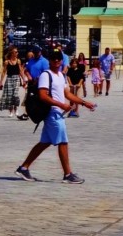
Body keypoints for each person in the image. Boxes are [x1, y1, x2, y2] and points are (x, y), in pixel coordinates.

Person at [15, 50, 95, 183]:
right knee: (63, 142)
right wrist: (61, 105)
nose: (56, 61)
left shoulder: (61, 75)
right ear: (50, 60)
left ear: (62, 60)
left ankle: (23, 168)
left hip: (58, 113)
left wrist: (84, 103)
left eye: (59, 58)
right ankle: (68, 174)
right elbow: (43, 95)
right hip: (53, 113)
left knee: (45, 142)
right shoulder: (46, 75)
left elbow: (67, 94)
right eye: (53, 58)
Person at [0, 47, 24, 118]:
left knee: (15, 95)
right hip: (9, 79)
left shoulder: (18, 61)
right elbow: (3, 72)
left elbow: (20, 71)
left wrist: (24, 80)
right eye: (15, 52)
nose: (17, 53)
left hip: (16, 79)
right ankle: (11, 111)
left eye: (17, 52)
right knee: (9, 96)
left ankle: (16, 109)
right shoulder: (7, 62)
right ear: (11, 53)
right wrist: (0, 82)